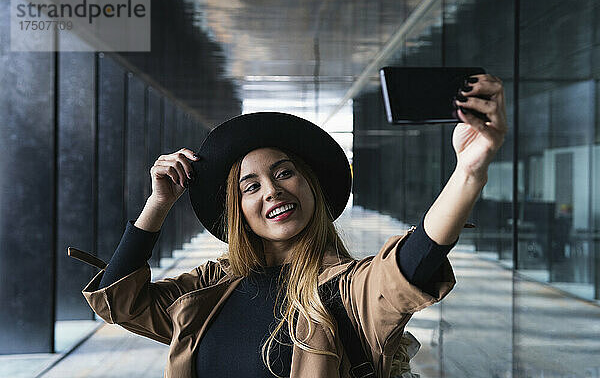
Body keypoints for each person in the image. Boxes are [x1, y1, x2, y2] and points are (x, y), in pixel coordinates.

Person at [74, 74, 507, 378]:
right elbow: (120, 302)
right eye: (250, 186)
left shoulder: (345, 291)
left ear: (311, 185)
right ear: (238, 210)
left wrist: (469, 172)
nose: (272, 192)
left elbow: (410, 264)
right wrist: (158, 203)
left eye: (284, 173)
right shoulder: (208, 289)